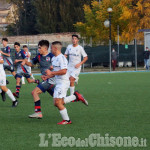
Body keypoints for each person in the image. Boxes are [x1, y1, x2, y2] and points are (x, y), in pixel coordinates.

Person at [43, 41, 88, 125]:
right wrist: (47, 77)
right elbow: (56, 72)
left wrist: (51, 73)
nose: (50, 49)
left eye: (51, 48)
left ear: (55, 48)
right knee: (56, 103)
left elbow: (64, 71)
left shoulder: (62, 58)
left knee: (57, 102)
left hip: (63, 83)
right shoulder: (54, 58)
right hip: (58, 82)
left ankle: (67, 120)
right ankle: (75, 96)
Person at [21, 40, 55, 119]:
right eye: (38, 47)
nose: (38, 49)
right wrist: (25, 61)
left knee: (34, 92)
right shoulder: (39, 56)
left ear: (45, 48)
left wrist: (52, 68)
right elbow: (31, 64)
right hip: (45, 80)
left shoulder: (52, 56)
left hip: (50, 80)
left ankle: (38, 112)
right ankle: (75, 97)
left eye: (40, 48)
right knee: (59, 100)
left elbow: (58, 66)